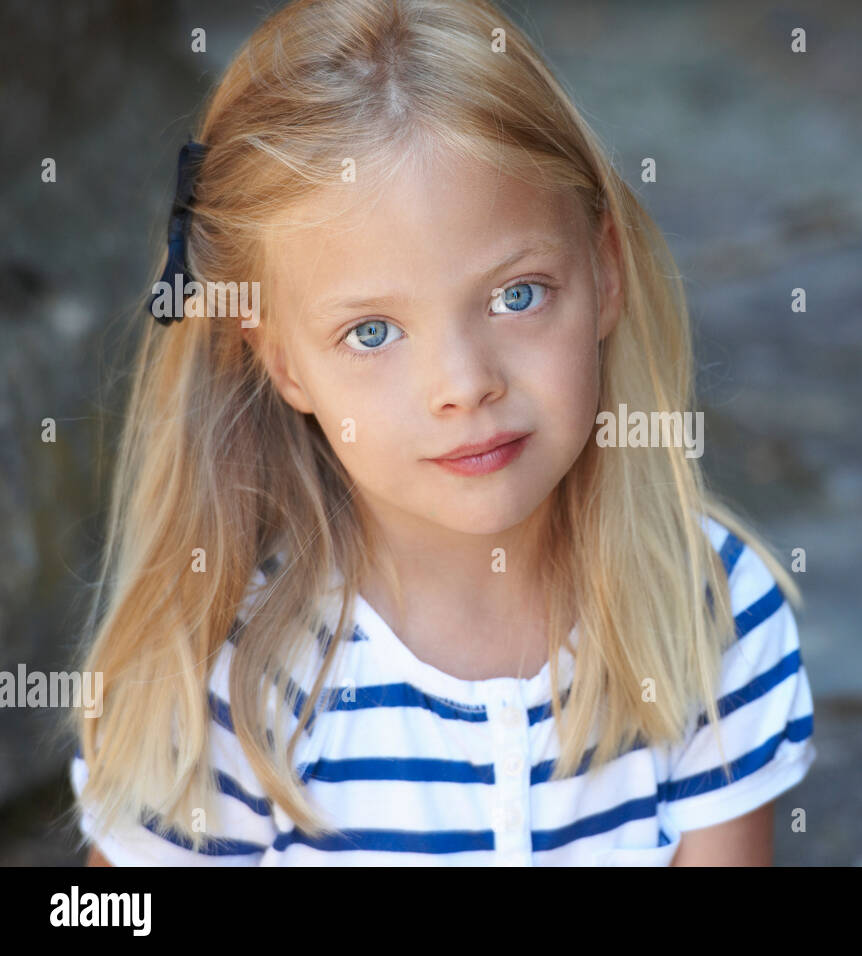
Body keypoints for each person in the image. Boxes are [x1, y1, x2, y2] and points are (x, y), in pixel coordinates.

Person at [64, 0, 814, 866]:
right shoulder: (221, 679)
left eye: (517, 294)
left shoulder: (709, 613)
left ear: (605, 273)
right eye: (372, 332)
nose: (465, 385)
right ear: (284, 363)